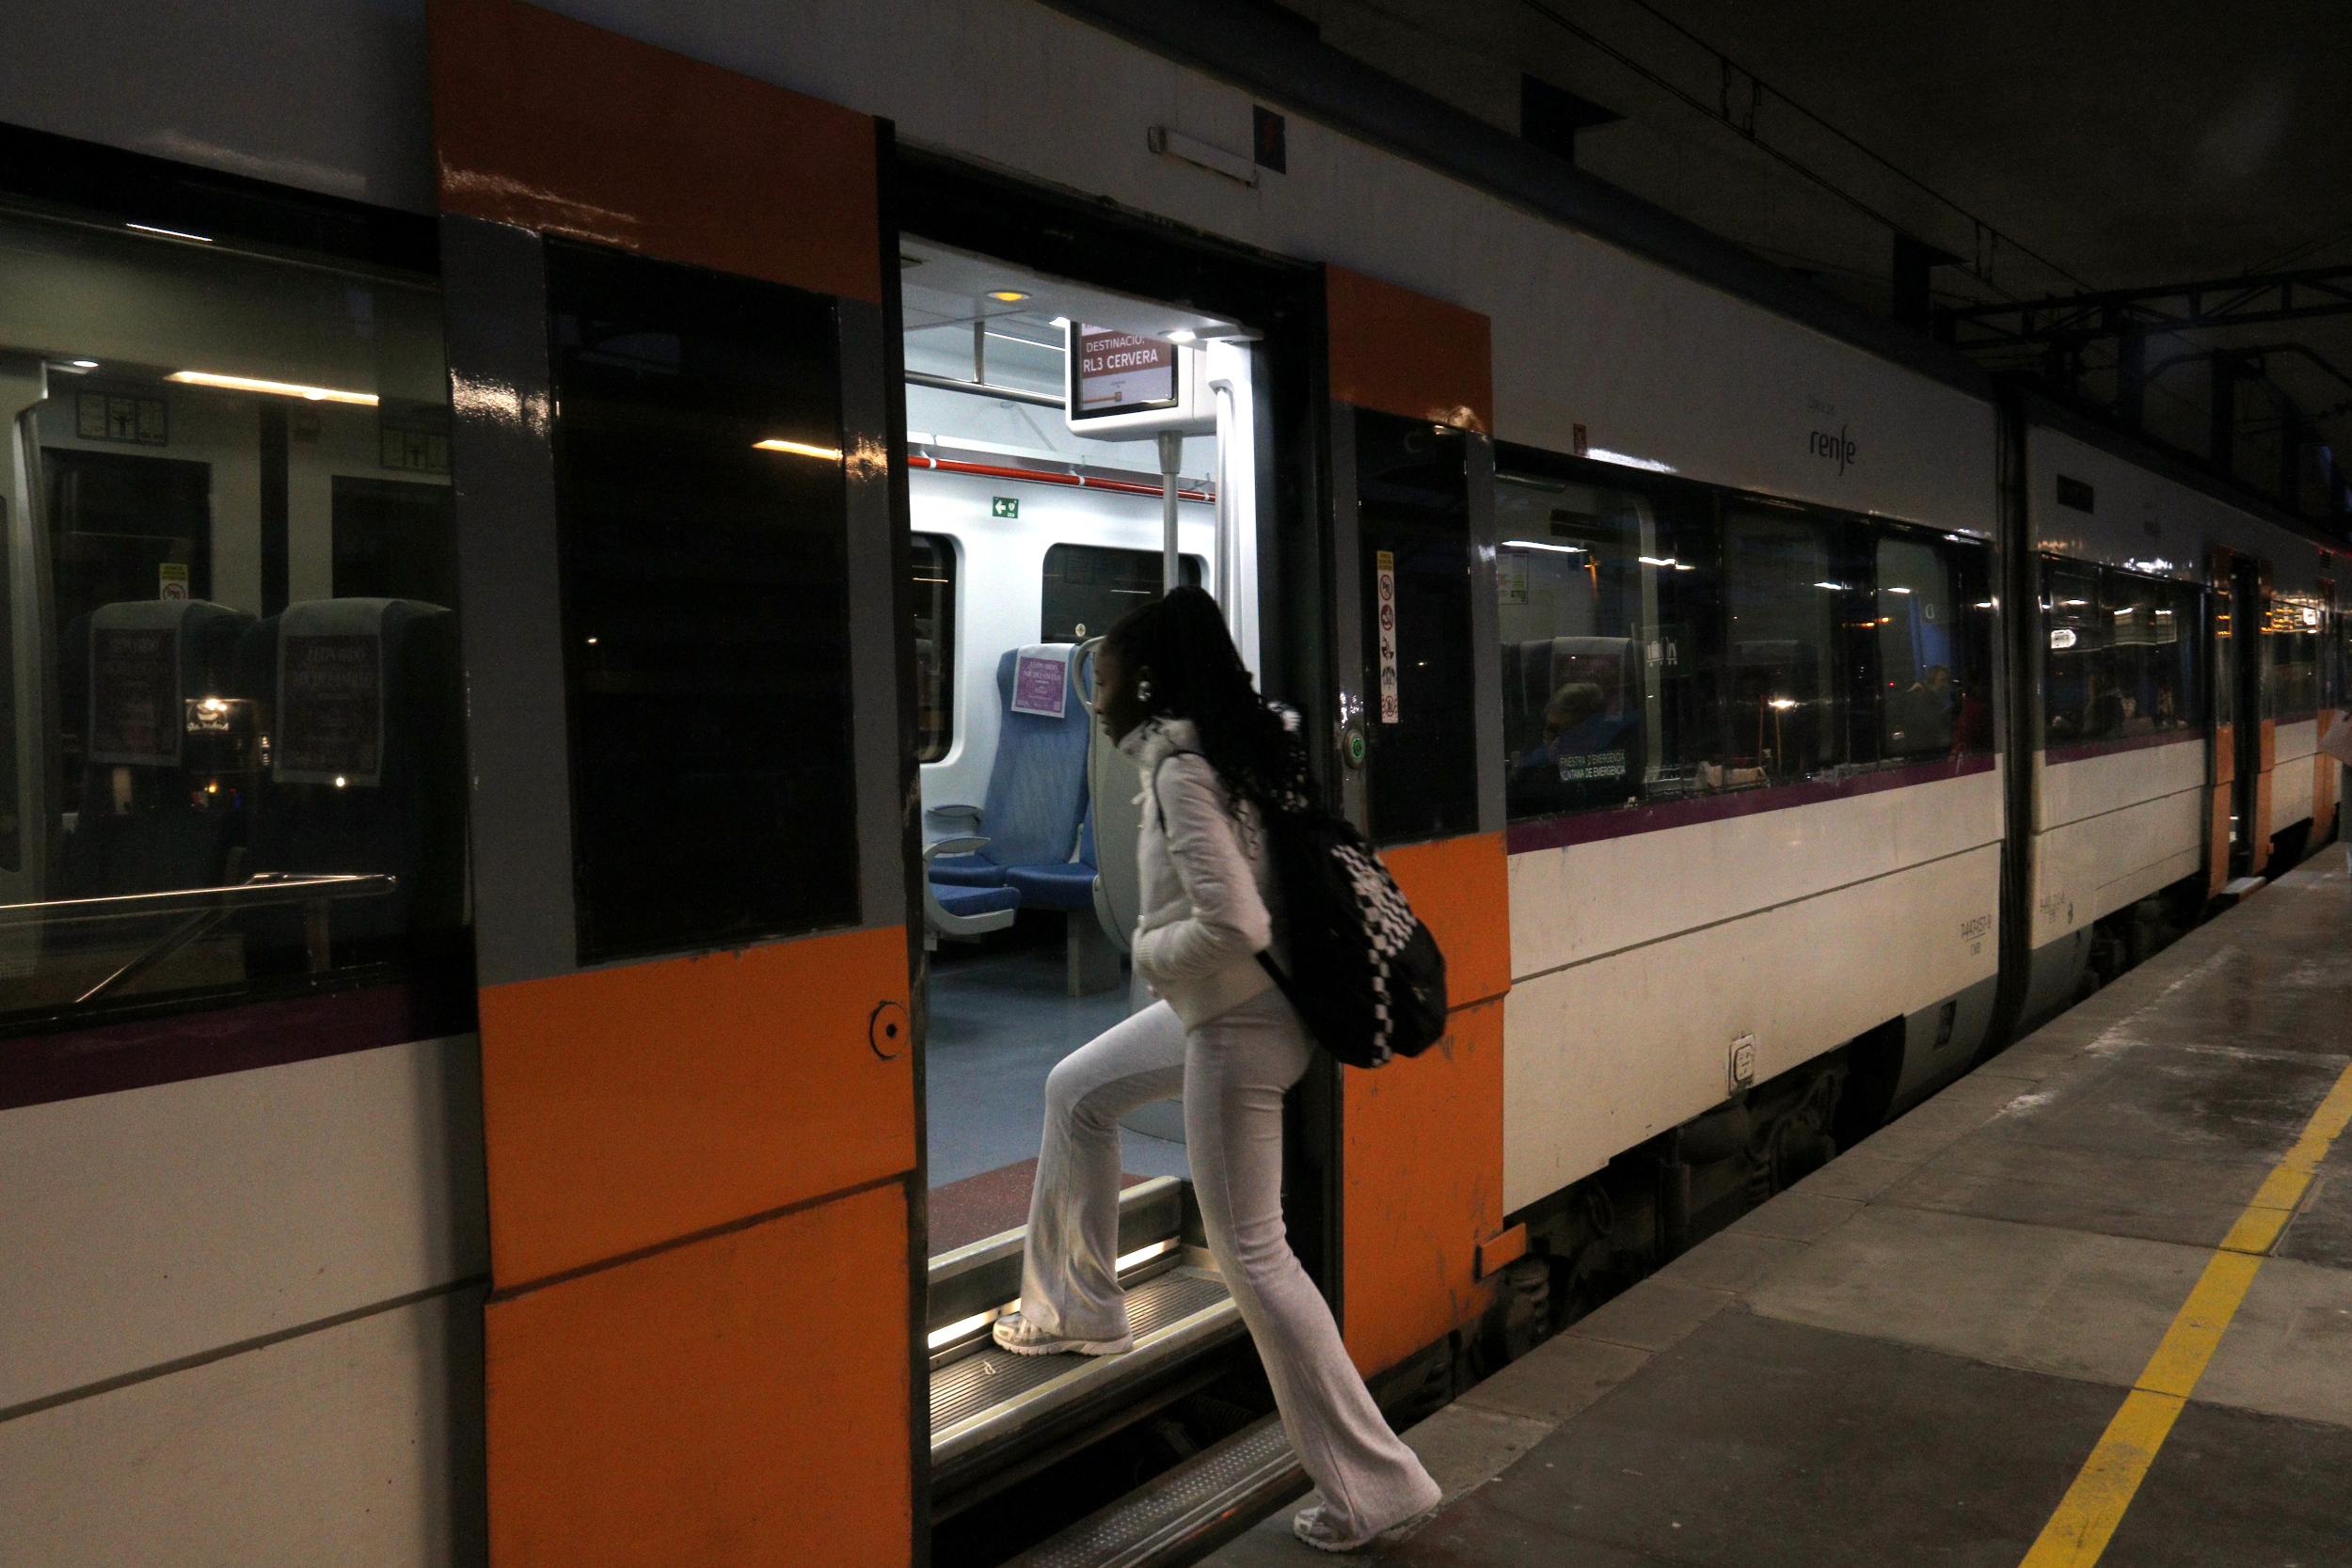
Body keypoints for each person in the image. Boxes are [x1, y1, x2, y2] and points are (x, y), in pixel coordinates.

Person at [992, 586, 1442, 1553]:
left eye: (1107, 680)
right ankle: (1078, 1305)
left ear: (1148, 684)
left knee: (1255, 1256)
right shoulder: (1235, 755)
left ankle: (1375, 1485)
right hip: (1246, 1012)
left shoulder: (1182, 774)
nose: (1096, 701)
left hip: (1237, 1028)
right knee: (1077, 1090)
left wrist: (1149, 948)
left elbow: (1235, 922)